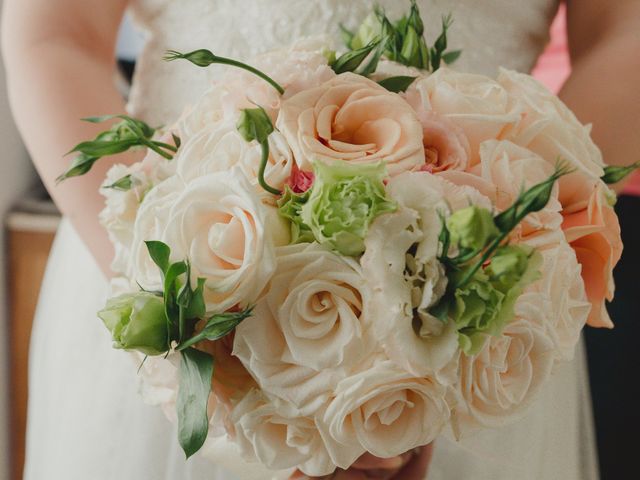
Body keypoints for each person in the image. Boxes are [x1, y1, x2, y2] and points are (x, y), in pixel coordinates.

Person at [2, 1, 640, 479]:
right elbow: (54, 33)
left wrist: (505, 250)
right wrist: (187, 308)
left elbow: (624, 32)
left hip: (482, 314)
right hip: (188, 274)